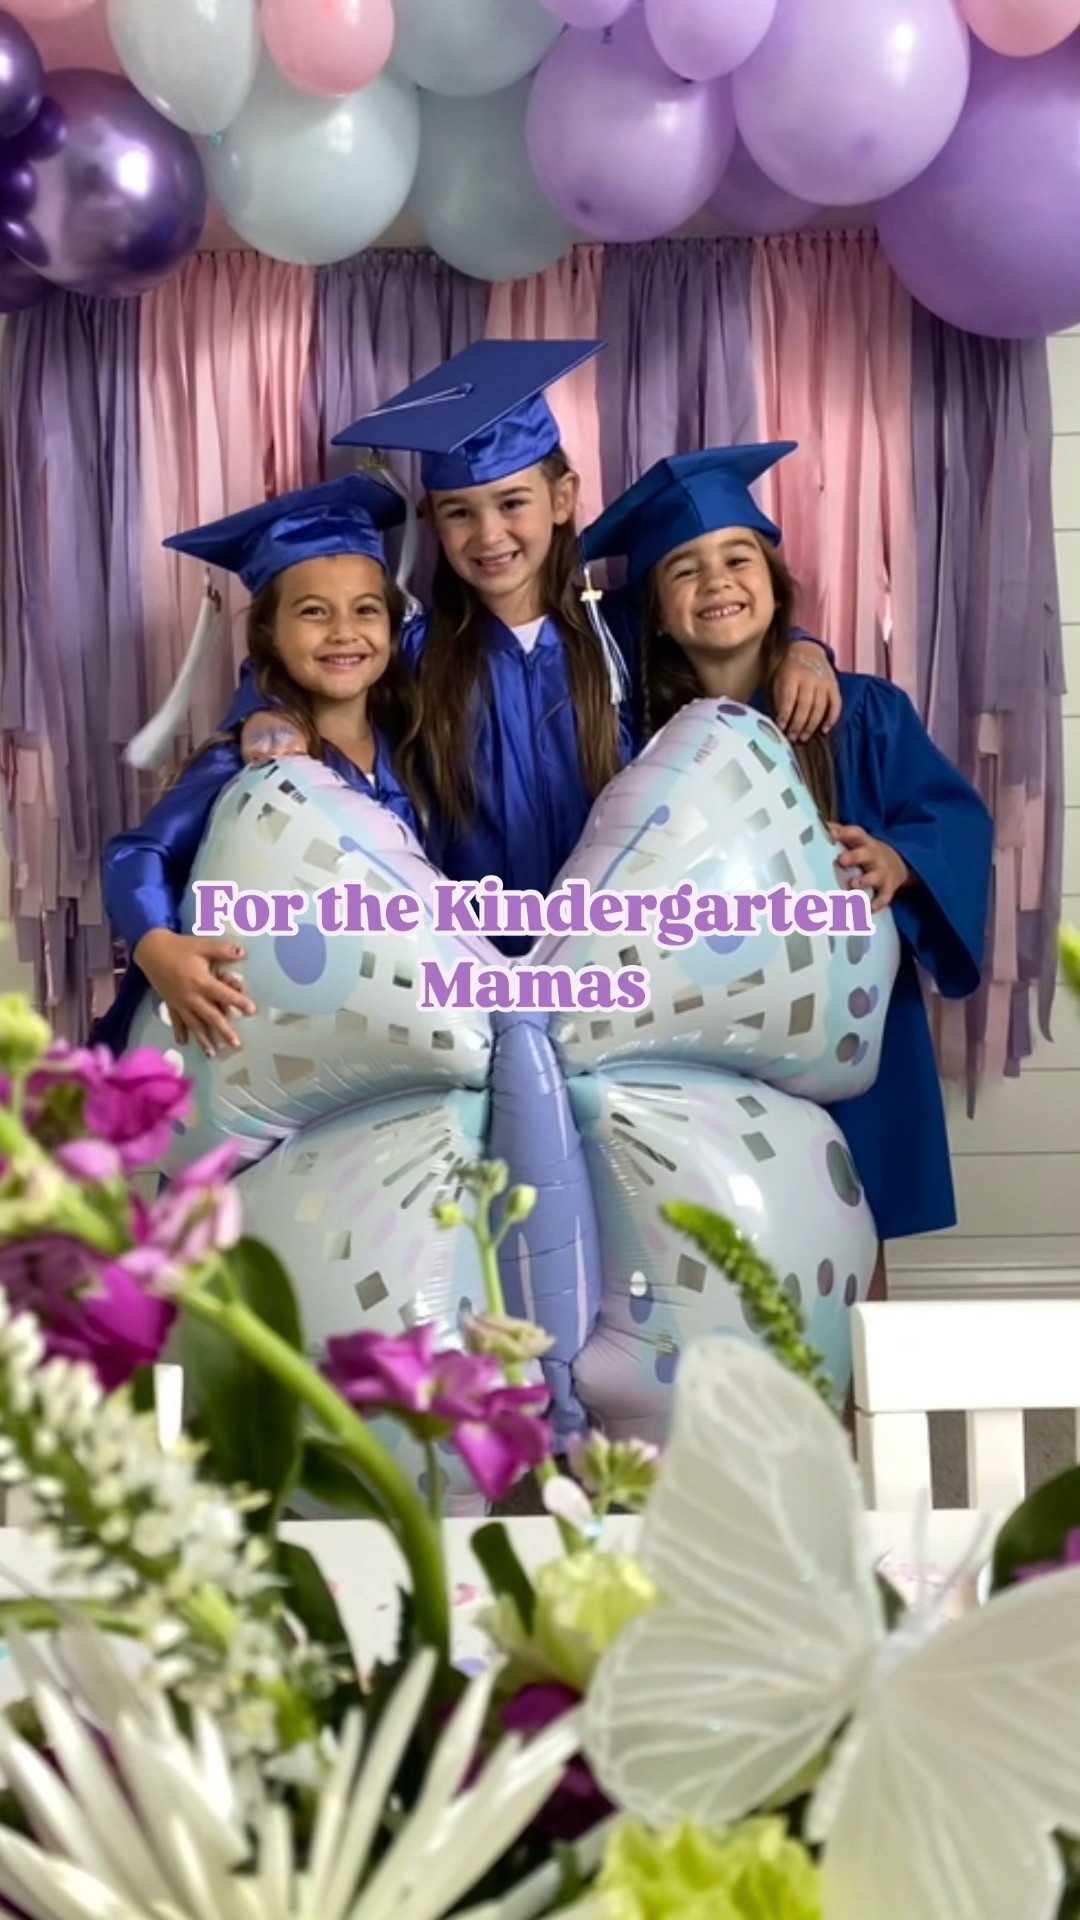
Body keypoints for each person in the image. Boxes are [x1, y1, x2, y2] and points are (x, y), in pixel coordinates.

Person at [225, 342, 842, 949]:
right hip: (470, 962)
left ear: (563, 498)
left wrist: (803, 647)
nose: (489, 534)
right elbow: (305, 665)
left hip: (617, 957)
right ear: (432, 518)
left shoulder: (623, 630)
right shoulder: (415, 650)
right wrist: (260, 708)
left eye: (512, 503)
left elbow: (723, 633)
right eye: (460, 513)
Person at [580, 441, 993, 1272]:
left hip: (844, 1023)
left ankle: (860, 1367)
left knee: (853, 1234)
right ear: (655, 613)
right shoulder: (636, 737)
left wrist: (900, 860)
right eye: (684, 570)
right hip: (699, 1038)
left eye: (738, 560)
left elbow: (953, 819)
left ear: (775, 586)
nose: (717, 582)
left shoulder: (860, 712)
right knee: (720, 1248)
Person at [96, 473, 426, 1059]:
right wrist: (158, 947)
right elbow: (135, 854)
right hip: (267, 1045)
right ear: (269, 634)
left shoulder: (409, 745)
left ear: (392, 625)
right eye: (314, 612)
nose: (344, 632)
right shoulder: (247, 759)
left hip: (382, 1035)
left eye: (366, 610)